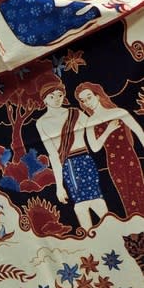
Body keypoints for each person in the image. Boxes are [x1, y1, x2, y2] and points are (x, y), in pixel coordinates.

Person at [35, 79, 107, 230]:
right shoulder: (41, 122)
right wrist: (59, 186)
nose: (56, 99)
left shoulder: (75, 113)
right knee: (92, 203)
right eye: (51, 96)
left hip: (86, 161)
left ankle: (95, 235)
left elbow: (94, 126)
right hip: (69, 166)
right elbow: (53, 156)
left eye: (59, 95)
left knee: (87, 204)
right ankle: (104, 234)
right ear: (44, 100)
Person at [74, 81, 144, 218]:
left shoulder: (118, 112)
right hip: (113, 163)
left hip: (130, 157)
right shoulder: (89, 122)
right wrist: (108, 130)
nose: (87, 102)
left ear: (98, 96)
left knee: (140, 190)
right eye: (83, 100)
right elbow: (94, 148)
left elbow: (139, 132)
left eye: (89, 97)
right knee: (126, 195)